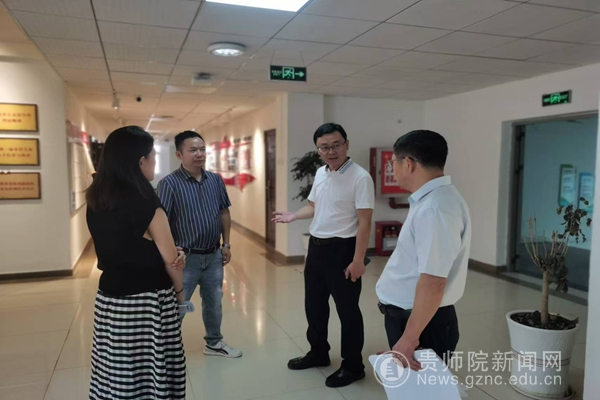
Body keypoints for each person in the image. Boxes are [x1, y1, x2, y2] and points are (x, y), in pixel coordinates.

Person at [86, 126, 188, 399]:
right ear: (141, 161)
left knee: (116, 367)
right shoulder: (147, 203)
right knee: (152, 369)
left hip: (109, 300)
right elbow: (172, 261)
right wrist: (180, 295)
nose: (154, 161)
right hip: (147, 303)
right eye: (153, 156)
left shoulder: (95, 199)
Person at [273, 123, 374, 388]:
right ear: (318, 150)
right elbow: (313, 206)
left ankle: (353, 366)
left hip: (343, 250)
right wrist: (294, 215)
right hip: (317, 249)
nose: (331, 151)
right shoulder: (321, 172)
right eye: (324, 147)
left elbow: (365, 222)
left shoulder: (360, 177)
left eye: (336, 145)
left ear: (347, 144)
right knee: (314, 306)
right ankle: (318, 352)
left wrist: (358, 260)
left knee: (348, 311)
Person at [376, 130, 471, 371]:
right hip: (416, 319)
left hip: (423, 326)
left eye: (393, 163)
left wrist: (409, 339)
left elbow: (433, 281)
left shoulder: (434, 208)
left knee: (423, 388)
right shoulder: (434, 200)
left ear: (408, 164)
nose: (393, 169)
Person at [156, 130, 242, 358]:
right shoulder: (169, 184)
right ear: (179, 154)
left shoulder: (215, 180)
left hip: (213, 255)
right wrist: (171, 255)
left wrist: (226, 244)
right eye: (193, 150)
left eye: (202, 149)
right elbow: (161, 223)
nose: (199, 154)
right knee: (177, 305)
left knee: (214, 302)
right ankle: (166, 350)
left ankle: (214, 343)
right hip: (185, 259)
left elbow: (224, 212)